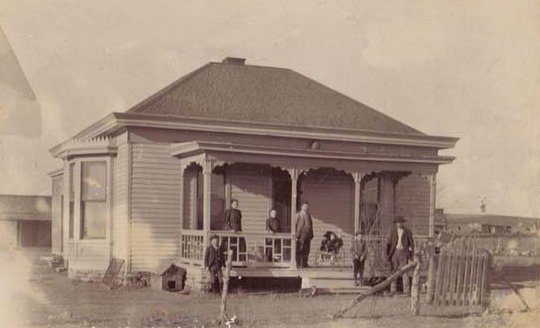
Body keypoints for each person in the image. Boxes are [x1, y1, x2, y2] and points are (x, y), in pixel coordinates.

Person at [386, 215, 414, 294]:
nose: (399, 224)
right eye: (397, 223)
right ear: (395, 223)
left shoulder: (408, 231)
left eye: (400, 222)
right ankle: (393, 290)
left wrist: (411, 255)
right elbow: (389, 243)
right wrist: (388, 254)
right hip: (394, 252)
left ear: (403, 223)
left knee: (404, 271)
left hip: (404, 252)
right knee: (393, 271)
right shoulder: (392, 231)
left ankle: (406, 291)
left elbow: (411, 244)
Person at [295, 202, 314, 268]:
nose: (306, 208)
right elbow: (295, 225)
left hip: (307, 235)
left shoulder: (308, 215)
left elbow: (311, 225)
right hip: (300, 235)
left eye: (307, 207)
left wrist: (311, 234)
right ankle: (299, 264)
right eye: (305, 206)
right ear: (301, 207)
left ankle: (305, 263)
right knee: (300, 249)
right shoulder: (298, 215)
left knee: (307, 249)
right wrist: (296, 235)